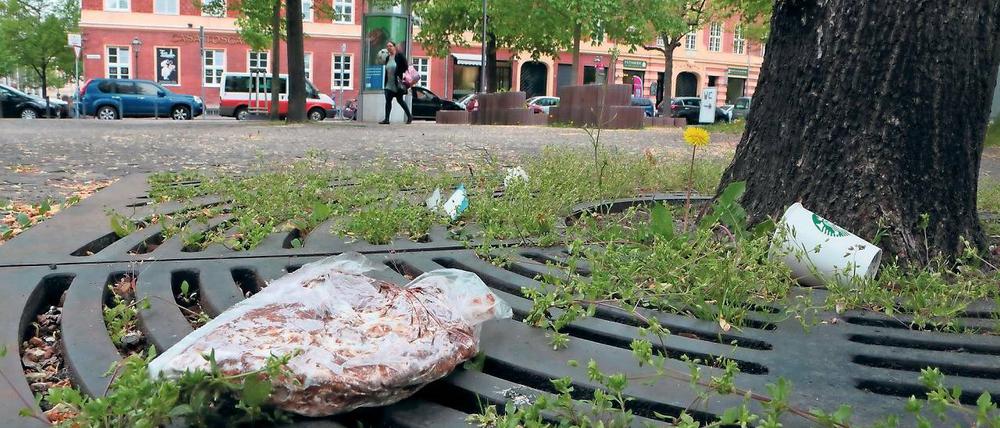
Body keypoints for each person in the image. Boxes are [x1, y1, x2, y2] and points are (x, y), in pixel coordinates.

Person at [380, 41, 411, 124]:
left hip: (397, 82)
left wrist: (400, 73)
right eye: (387, 46)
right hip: (388, 83)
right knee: (388, 101)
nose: (388, 47)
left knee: (400, 100)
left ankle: (409, 116)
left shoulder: (399, 56)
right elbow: (386, 70)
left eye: (390, 46)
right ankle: (387, 119)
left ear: (394, 47)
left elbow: (405, 67)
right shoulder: (387, 58)